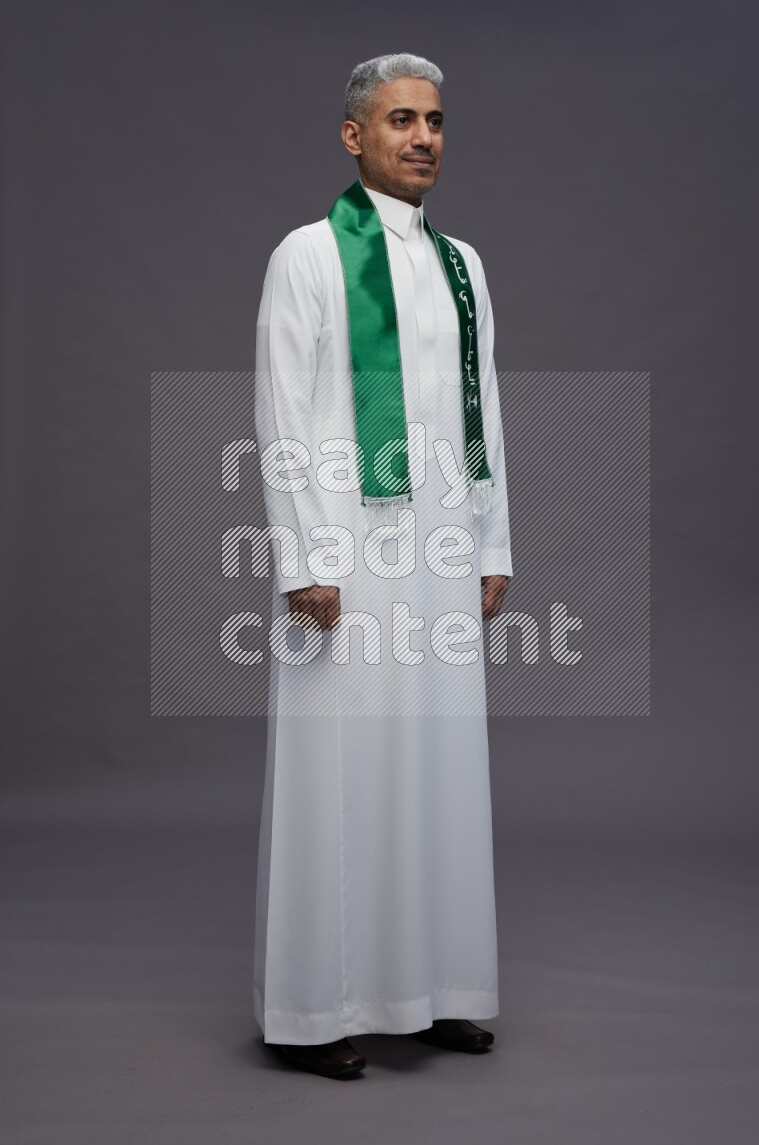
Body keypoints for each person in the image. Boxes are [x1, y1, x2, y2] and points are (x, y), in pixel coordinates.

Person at [253, 53, 513, 1079]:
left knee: (437, 768)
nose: (422, 138)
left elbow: (482, 408)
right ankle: (317, 1008)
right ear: (354, 136)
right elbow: (279, 415)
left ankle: (436, 987)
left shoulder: (464, 265)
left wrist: (491, 543)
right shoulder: (308, 255)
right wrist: (302, 557)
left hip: (441, 547)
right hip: (346, 553)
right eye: (400, 119)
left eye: (436, 121)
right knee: (341, 772)